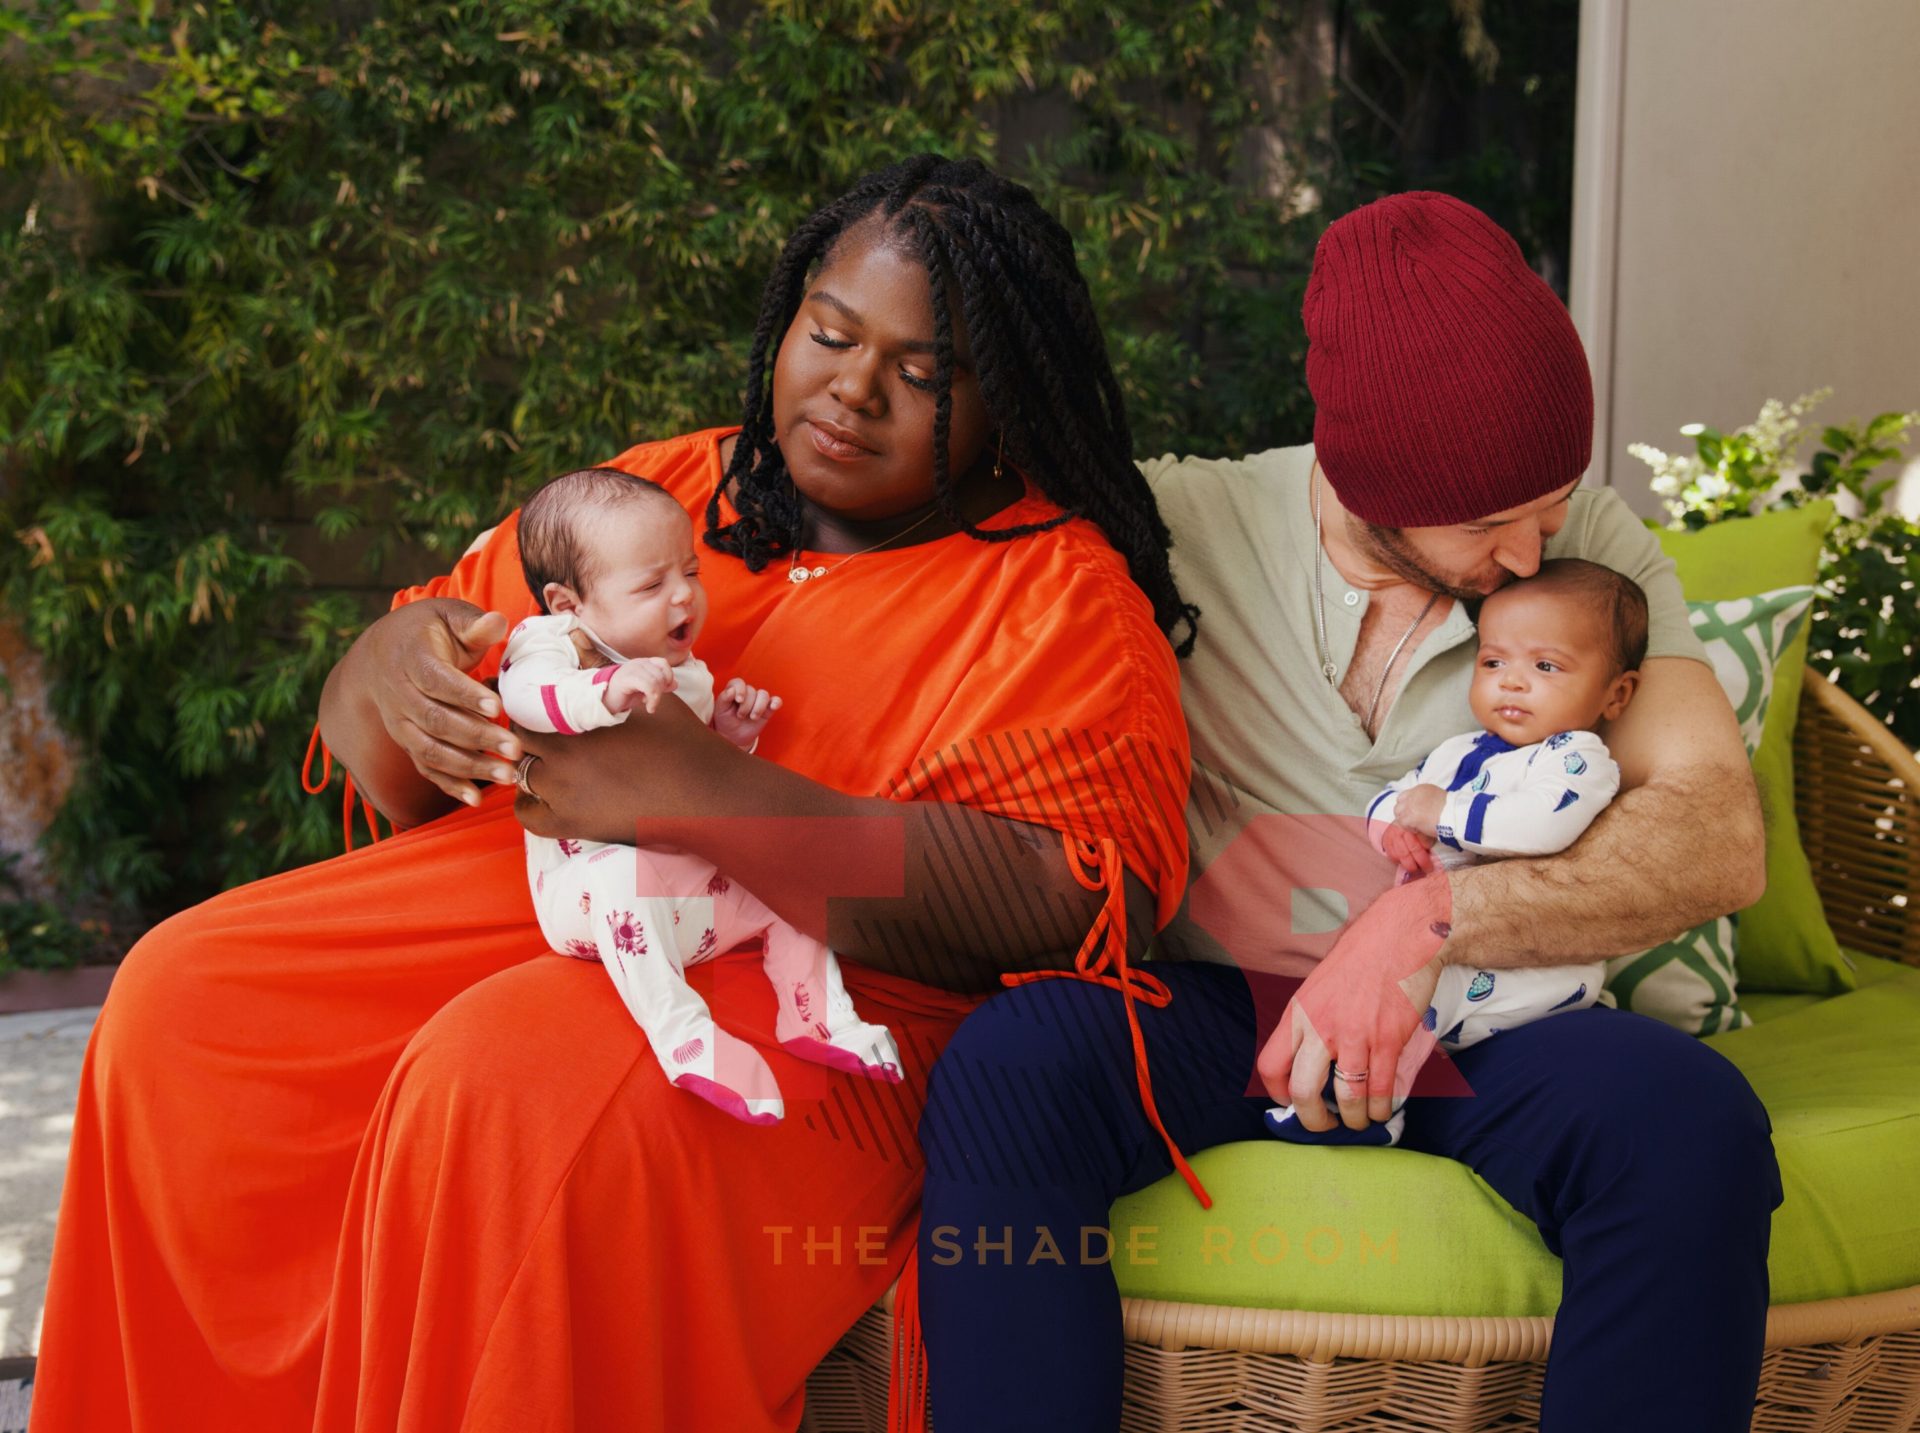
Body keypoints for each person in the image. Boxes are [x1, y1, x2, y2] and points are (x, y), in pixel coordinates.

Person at [32, 155, 1199, 1432]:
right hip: (529, 892)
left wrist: (718, 798)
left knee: (504, 1087)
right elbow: (417, 732)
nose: (854, 390)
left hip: (818, 997)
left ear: (1006, 402)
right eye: (830, 334)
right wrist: (377, 678)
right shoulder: (674, 487)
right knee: (180, 1002)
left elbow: (1078, 902)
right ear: (790, 311)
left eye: (926, 375)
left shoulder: (1054, 597)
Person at [917, 192, 1784, 1433]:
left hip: (1495, 1023)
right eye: (1492, 522)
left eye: (1551, 500)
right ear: (1367, 478)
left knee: (1689, 1122)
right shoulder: (1172, 528)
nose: (1535, 555)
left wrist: (1428, 919)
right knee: (1013, 1065)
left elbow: (1714, 830)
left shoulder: (1591, 549)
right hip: (1227, 1003)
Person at [500, 466, 902, 1125]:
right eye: (652, 584)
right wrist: (603, 692)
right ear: (568, 602)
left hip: (684, 896)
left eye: (689, 571)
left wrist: (731, 735)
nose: (684, 596)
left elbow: (697, 781)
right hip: (591, 898)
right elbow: (525, 695)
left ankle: (819, 1014)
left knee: (785, 869)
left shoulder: (685, 673)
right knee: (620, 871)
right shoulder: (553, 644)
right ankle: (687, 1036)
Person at [1268, 557, 1645, 1147]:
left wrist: (1440, 813)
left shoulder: (1578, 758)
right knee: (1368, 981)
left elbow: (1539, 825)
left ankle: (1370, 1113)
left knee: (1409, 997)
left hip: (1529, 968)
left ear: (1616, 693)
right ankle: (1326, 1090)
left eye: (1545, 666)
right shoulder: (1460, 749)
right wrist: (1390, 828)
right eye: (1494, 662)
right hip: (1445, 944)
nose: (1511, 682)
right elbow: (1397, 797)